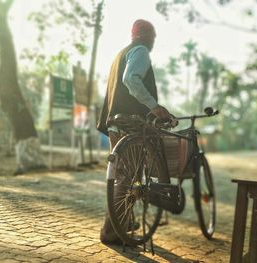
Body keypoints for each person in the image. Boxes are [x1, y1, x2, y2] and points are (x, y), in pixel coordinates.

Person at [97, 19, 173, 244]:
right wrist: (154, 106)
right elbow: (130, 79)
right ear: (147, 36)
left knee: (123, 175)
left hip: (115, 122)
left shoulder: (120, 54)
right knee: (126, 177)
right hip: (129, 123)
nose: (154, 42)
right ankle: (111, 232)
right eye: (153, 37)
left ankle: (125, 222)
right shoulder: (140, 51)